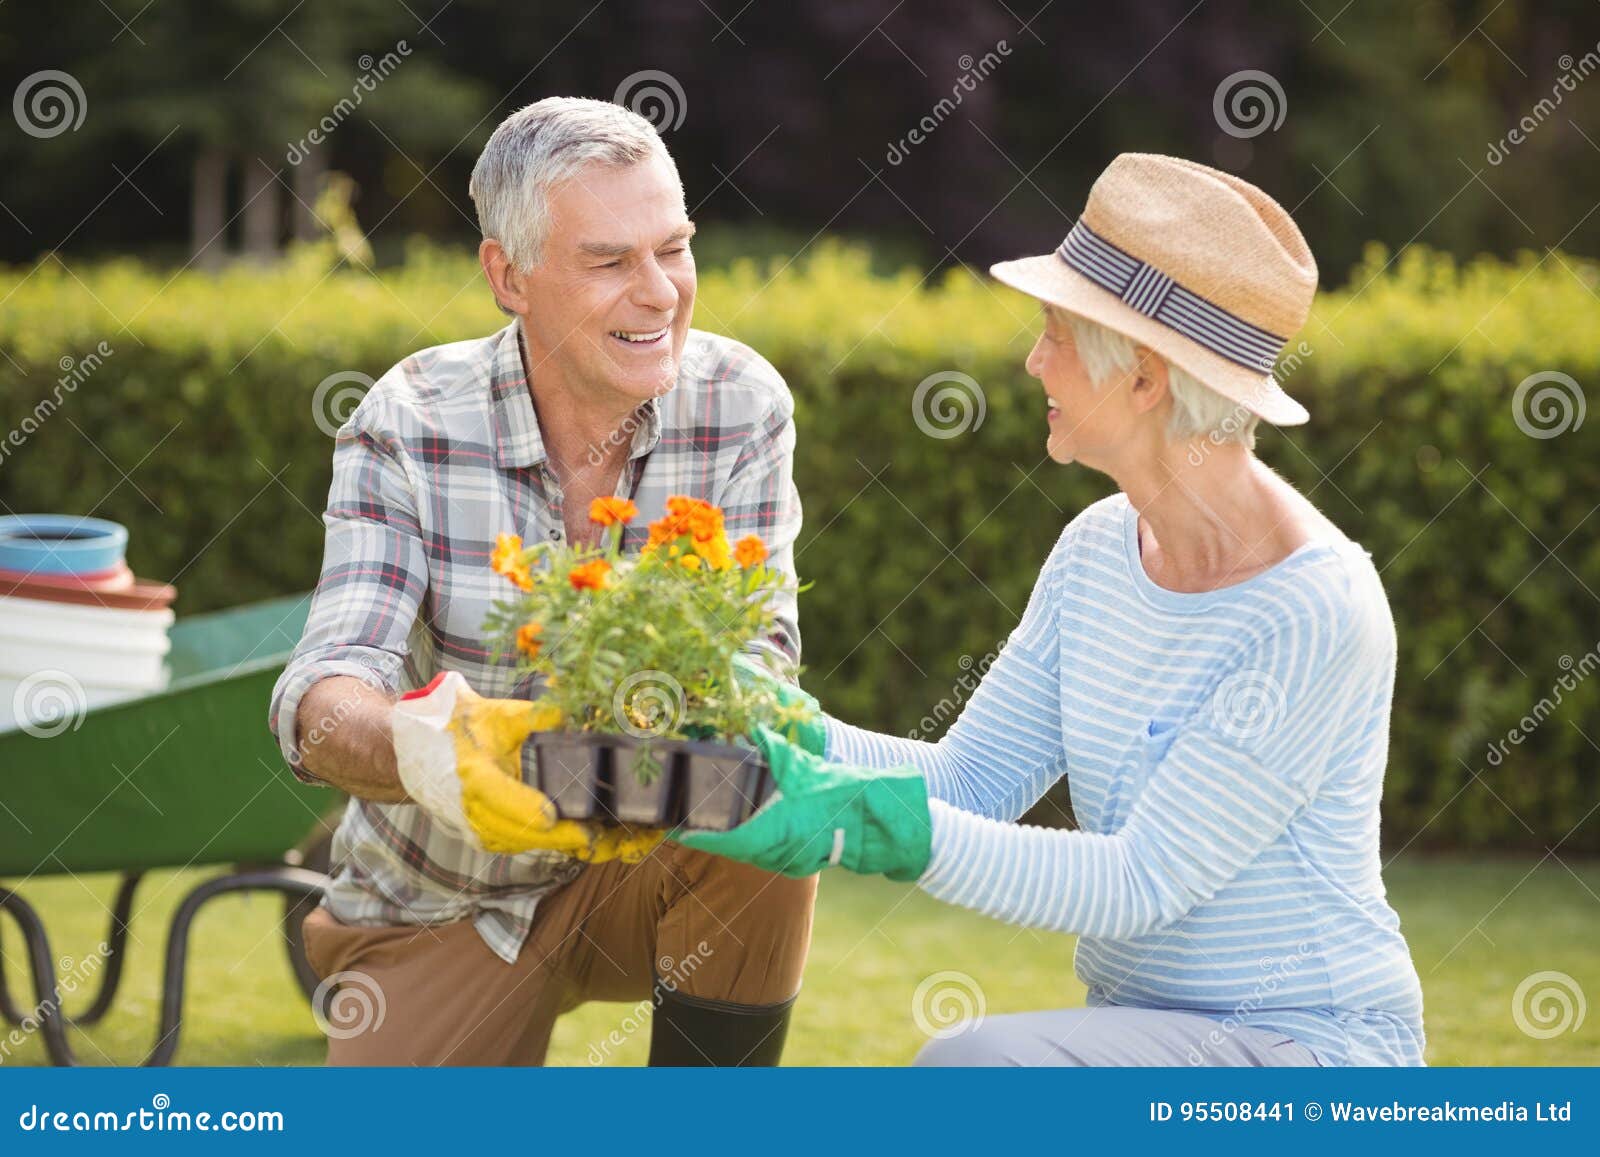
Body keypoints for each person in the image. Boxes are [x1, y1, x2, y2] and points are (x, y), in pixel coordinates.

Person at [685, 154, 1427, 1068]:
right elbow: (973, 779)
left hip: (1314, 1050)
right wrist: (784, 725)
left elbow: (1142, 879)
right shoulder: (1097, 549)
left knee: (976, 1068)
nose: (1034, 359)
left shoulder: (1314, 609)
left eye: (1057, 333)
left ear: (1146, 378)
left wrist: (868, 825)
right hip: (1147, 1023)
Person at [269, 97, 814, 1067]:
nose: (660, 294)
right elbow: (328, 687)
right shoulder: (411, 419)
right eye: (609, 261)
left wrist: (713, 727)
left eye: (673, 247)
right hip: (441, 897)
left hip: (644, 865)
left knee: (767, 815)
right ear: (507, 276)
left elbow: (757, 654)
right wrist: (429, 751)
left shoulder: (739, 404)